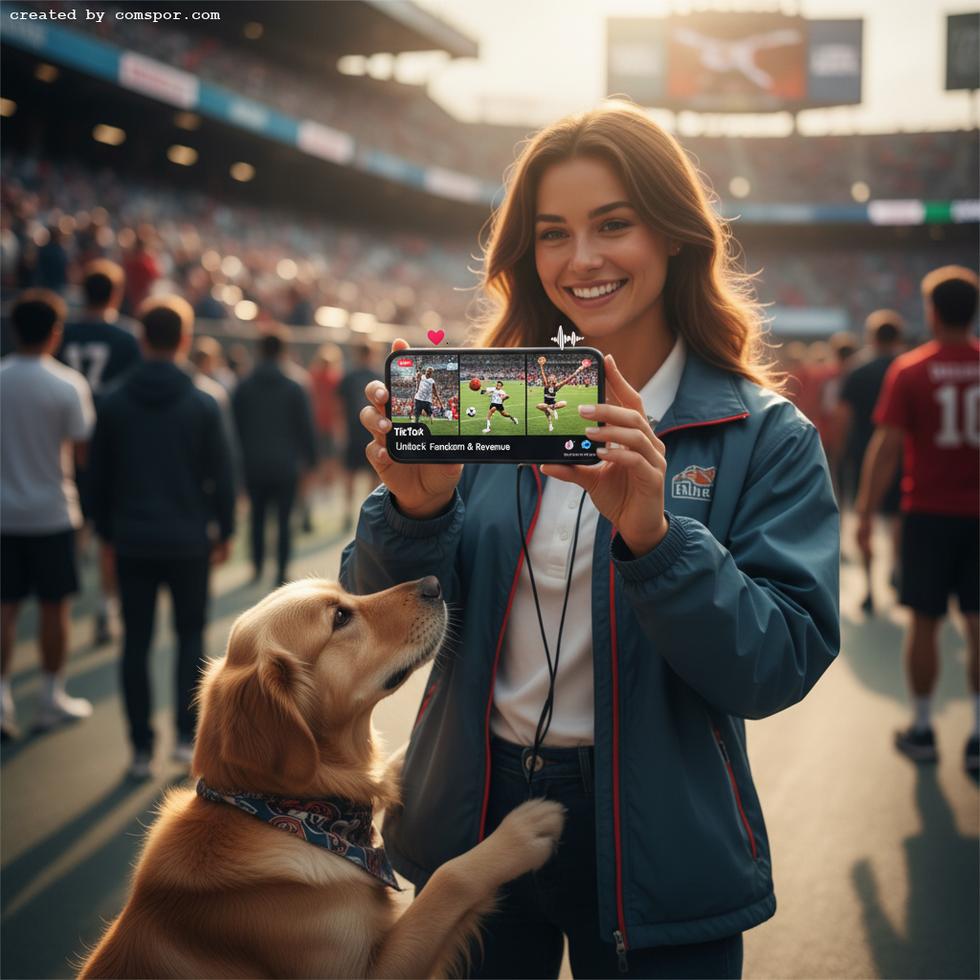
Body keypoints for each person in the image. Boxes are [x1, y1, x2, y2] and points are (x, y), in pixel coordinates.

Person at [341, 102, 839, 979]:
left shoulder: (766, 434)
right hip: (476, 814)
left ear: (677, 235)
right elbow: (383, 634)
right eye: (553, 234)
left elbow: (777, 663)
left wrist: (653, 538)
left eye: (614, 225)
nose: (582, 260)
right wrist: (414, 516)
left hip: (660, 835)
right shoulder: (492, 405)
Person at [87, 296, 235, 779]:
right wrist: (225, 529)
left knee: (137, 641)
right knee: (191, 637)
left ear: (142, 337)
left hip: (131, 539)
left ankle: (139, 749)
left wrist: (106, 535)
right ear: (185, 340)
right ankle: (182, 740)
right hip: (189, 538)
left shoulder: (112, 399)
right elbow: (223, 474)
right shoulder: (204, 398)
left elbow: (97, 479)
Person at [855, 266, 979, 775]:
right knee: (977, 624)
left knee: (923, 622)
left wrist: (864, 512)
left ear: (930, 312)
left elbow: (885, 449)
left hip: (927, 513)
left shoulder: (910, 369)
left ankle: (924, 729)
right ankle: (977, 736)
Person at [1, 290, 95, 739]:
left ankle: (2, 700)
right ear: (55, 333)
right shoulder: (67, 385)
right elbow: (82, 454)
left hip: (4, 515)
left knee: (5, 609)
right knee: (55, 608)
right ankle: (50, 697)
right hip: (53, 513)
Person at [57, 259, 142, 646]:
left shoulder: (64, 332)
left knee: (70, 527)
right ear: (116, 294)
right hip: (110, 446)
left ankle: (63, 597)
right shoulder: (126, 338)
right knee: (108, 535)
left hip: (63, 445)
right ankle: (106, 609)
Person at [232, 328, 316, 586]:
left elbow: (235, 427)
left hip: (253, 462)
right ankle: (281, 571)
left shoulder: (244, 385)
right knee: (284, 519)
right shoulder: (295, 384)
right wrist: (311, 460)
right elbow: (305, 426)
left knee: (256, 517)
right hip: (286, 464)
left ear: (259, 350)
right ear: (283, 351)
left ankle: (257, 566)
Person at [836, 311, 906, 613]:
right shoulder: (905, 369)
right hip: (903, 456)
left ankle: (868, 586)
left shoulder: (857, 371)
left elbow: (843, 418)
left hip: (863, 456)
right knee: (897, 519)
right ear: (898, 338)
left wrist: (838, 454)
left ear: (871, 337)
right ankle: (896, 568)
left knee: (864, 519)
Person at [337, 343, 382, 532]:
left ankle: (348, 512)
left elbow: (338, 406)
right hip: (372, 433)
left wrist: (339, 430)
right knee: (373, 475)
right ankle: (368, 513)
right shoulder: (377, 377)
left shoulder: (349, 376)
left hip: (354, 432)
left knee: (351, 475)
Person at [535, 355, 587, 431]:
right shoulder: (546, 385)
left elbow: (570, 378)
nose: (551, 377)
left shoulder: (557, 386)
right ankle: (550, 424)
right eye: (550, 377)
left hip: (553, 405)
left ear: (554, 379)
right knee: (539, 406)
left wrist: (579, 369)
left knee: (564, 403)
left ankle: (552, 410)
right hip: (546, 405)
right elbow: (543, 374)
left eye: (552, 377)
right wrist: (541, 366)